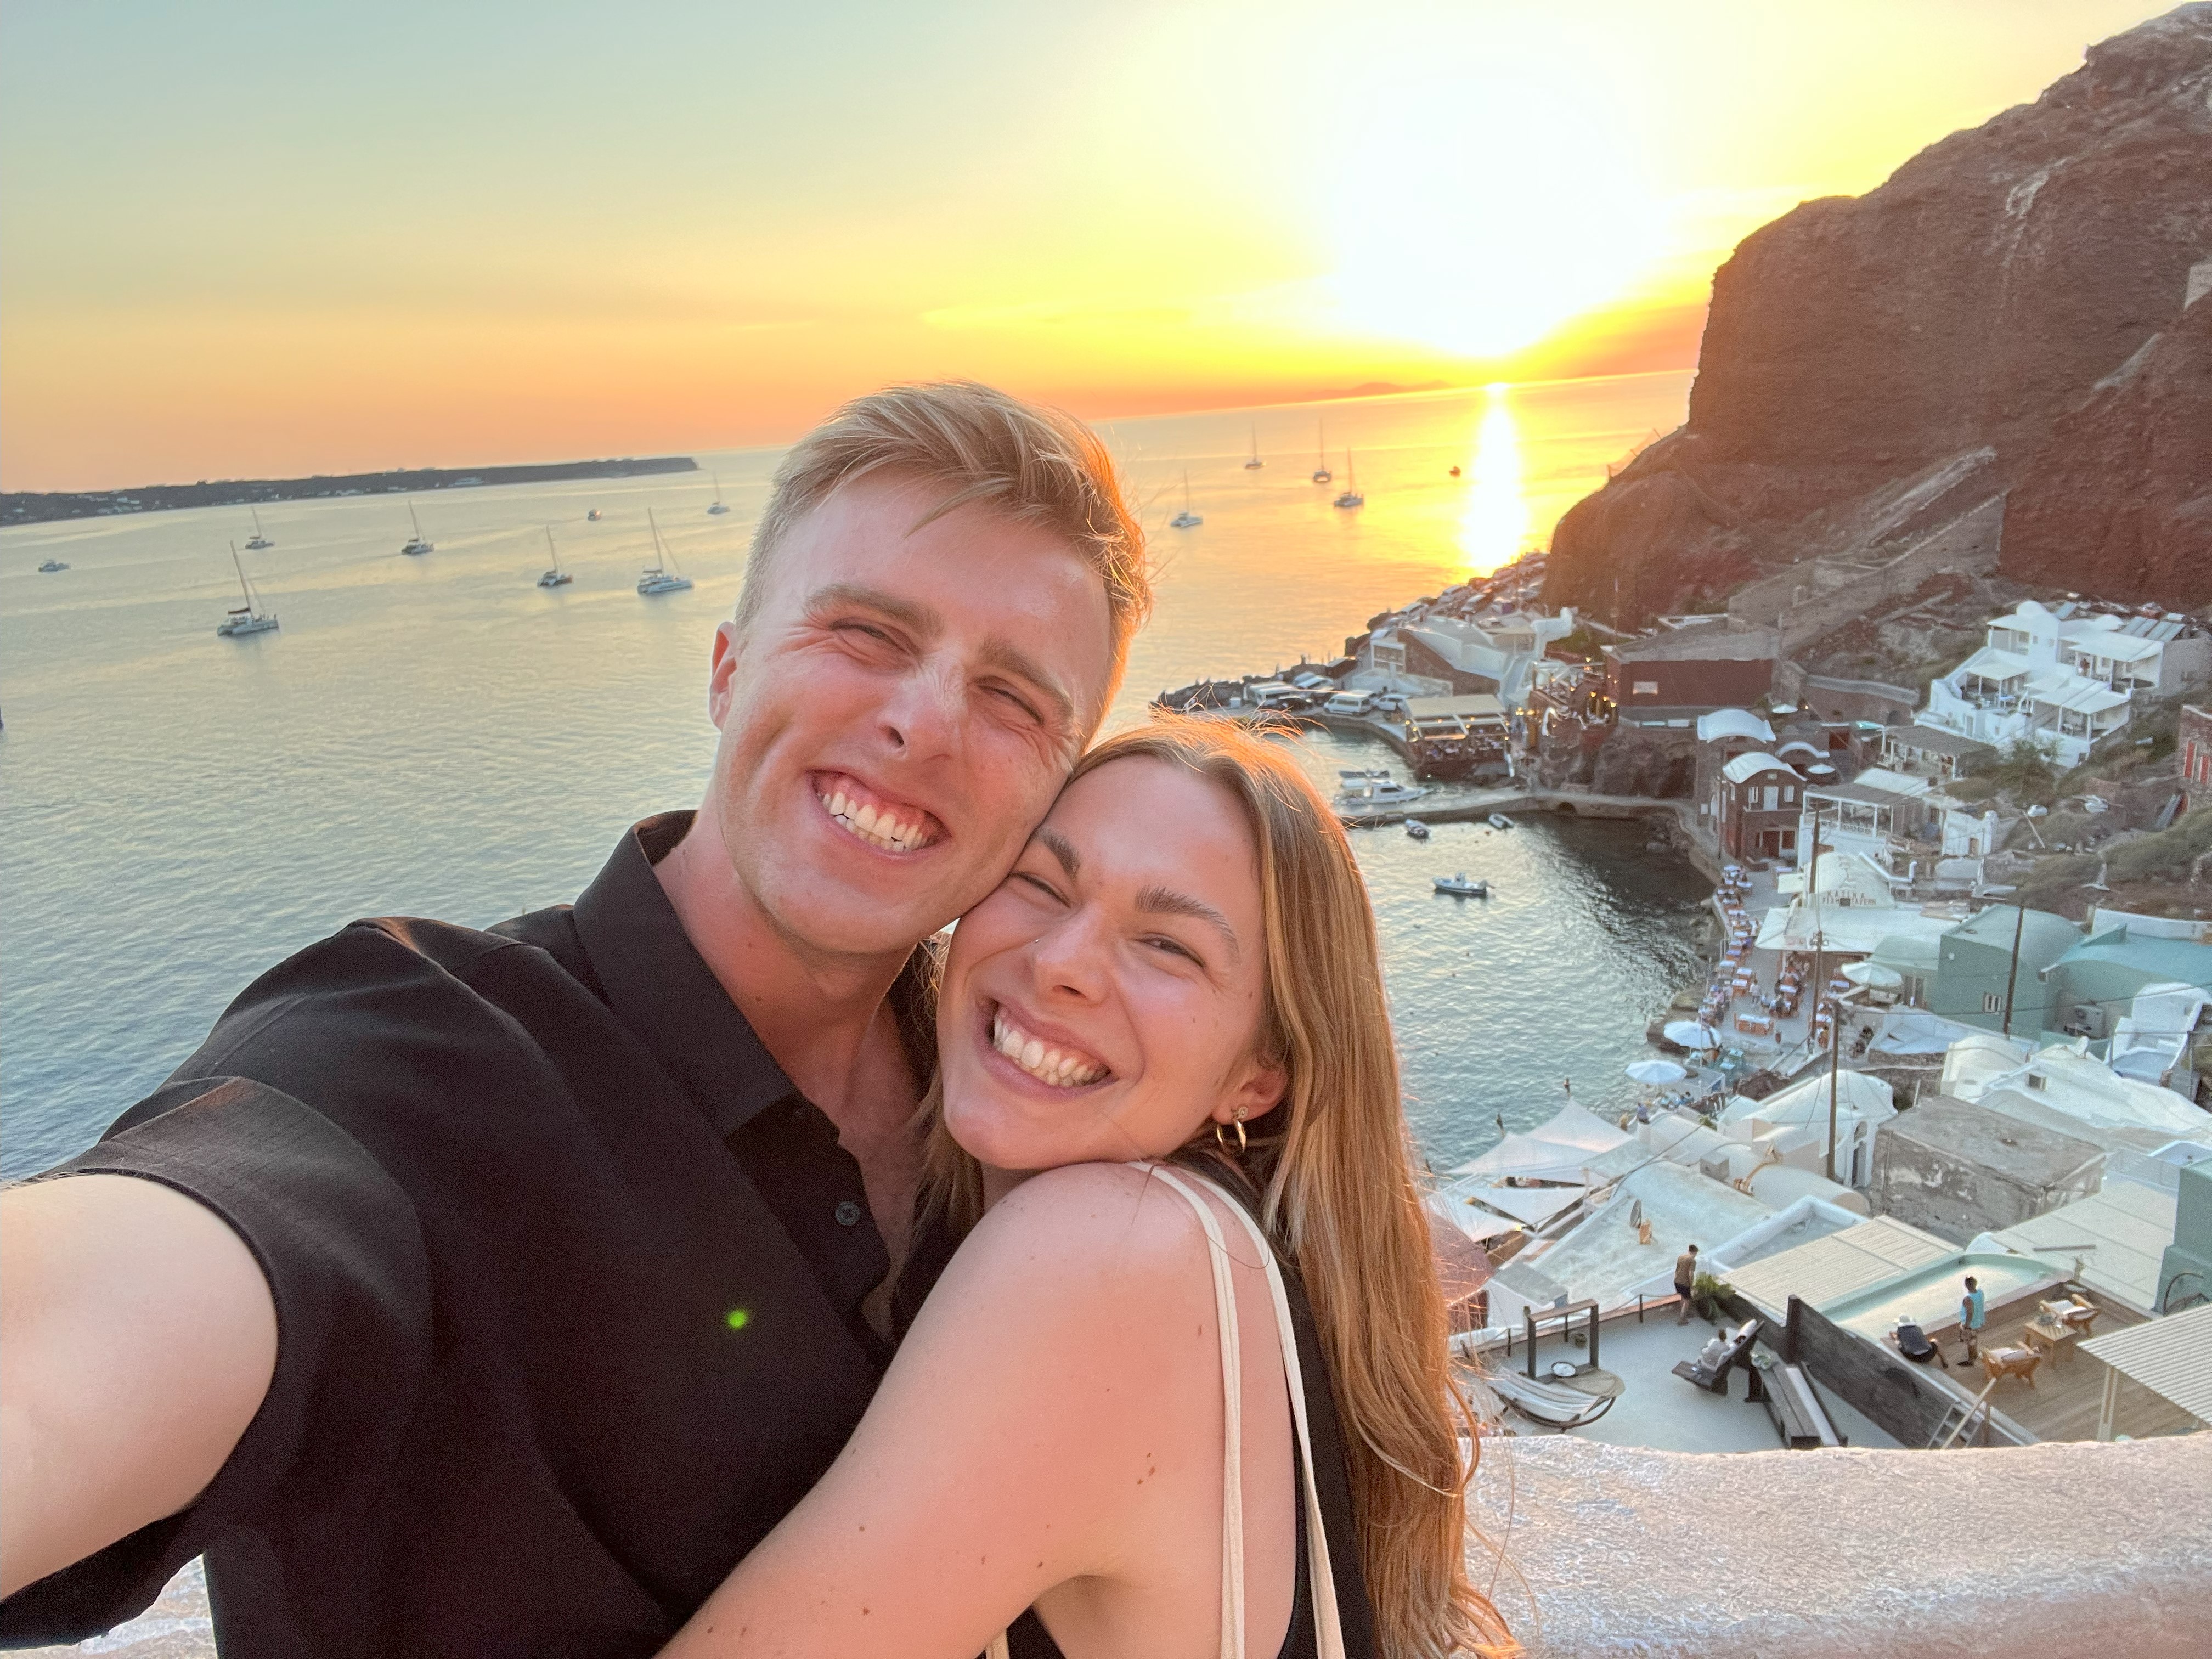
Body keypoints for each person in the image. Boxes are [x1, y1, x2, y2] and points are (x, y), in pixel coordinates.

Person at [0, 382, 1149, 1656]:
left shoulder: (1026, 1104)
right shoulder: (413, 1063)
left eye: (1014, 700)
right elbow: (130, 1301)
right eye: (867, 633)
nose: (923, 721)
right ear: (727, 671)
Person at [661, 718, 1515, 1658]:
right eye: (1040, 884)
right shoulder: (1240, 1253)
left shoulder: (1105, 1254)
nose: (1061, 962)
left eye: (1168, 945)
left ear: (1257, 1077)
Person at [1960, 1274, 1987, 1363]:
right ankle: (1974, 1354)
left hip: (1971, 1323)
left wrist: (1966, 1325)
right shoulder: (1980, 1293)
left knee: (1970, 1340)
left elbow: (1970, 1314)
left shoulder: (1968, 1299)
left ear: (1967, 1286)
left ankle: (1971, 1360)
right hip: (1978, 1321)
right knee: (1974, 1338)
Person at [1674, 1243, 1701, 1324]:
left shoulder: (1681, 1257)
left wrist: (1677, 1279)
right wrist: (1691, 1286)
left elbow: (1677, 1270)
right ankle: (1682, 1319)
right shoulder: (1693, 1261)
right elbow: (1691, 1274)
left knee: (1683, 1297)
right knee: (1687, 1301)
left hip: (1677, 1281)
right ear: (1695, 1252)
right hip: (1684, 1283)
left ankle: (1685, 1312)